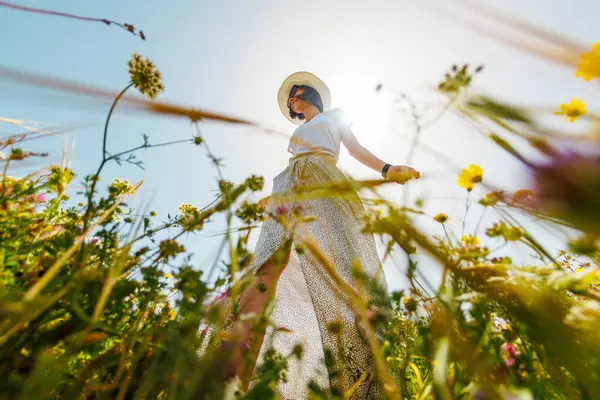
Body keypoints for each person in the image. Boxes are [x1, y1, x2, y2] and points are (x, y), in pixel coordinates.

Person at [214, 71, 420, 399]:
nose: (292, 101)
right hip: (288, 185)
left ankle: (353, 371)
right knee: (268, 264)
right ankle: (231, 372)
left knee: (334, 263)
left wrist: (386, 169)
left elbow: (354, 149)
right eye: (290, 99)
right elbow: (295, 161)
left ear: (309, 94)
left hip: (324, 179)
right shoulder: (297, 131)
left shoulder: (335, 118)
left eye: (295, 94)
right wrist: (273, 198)